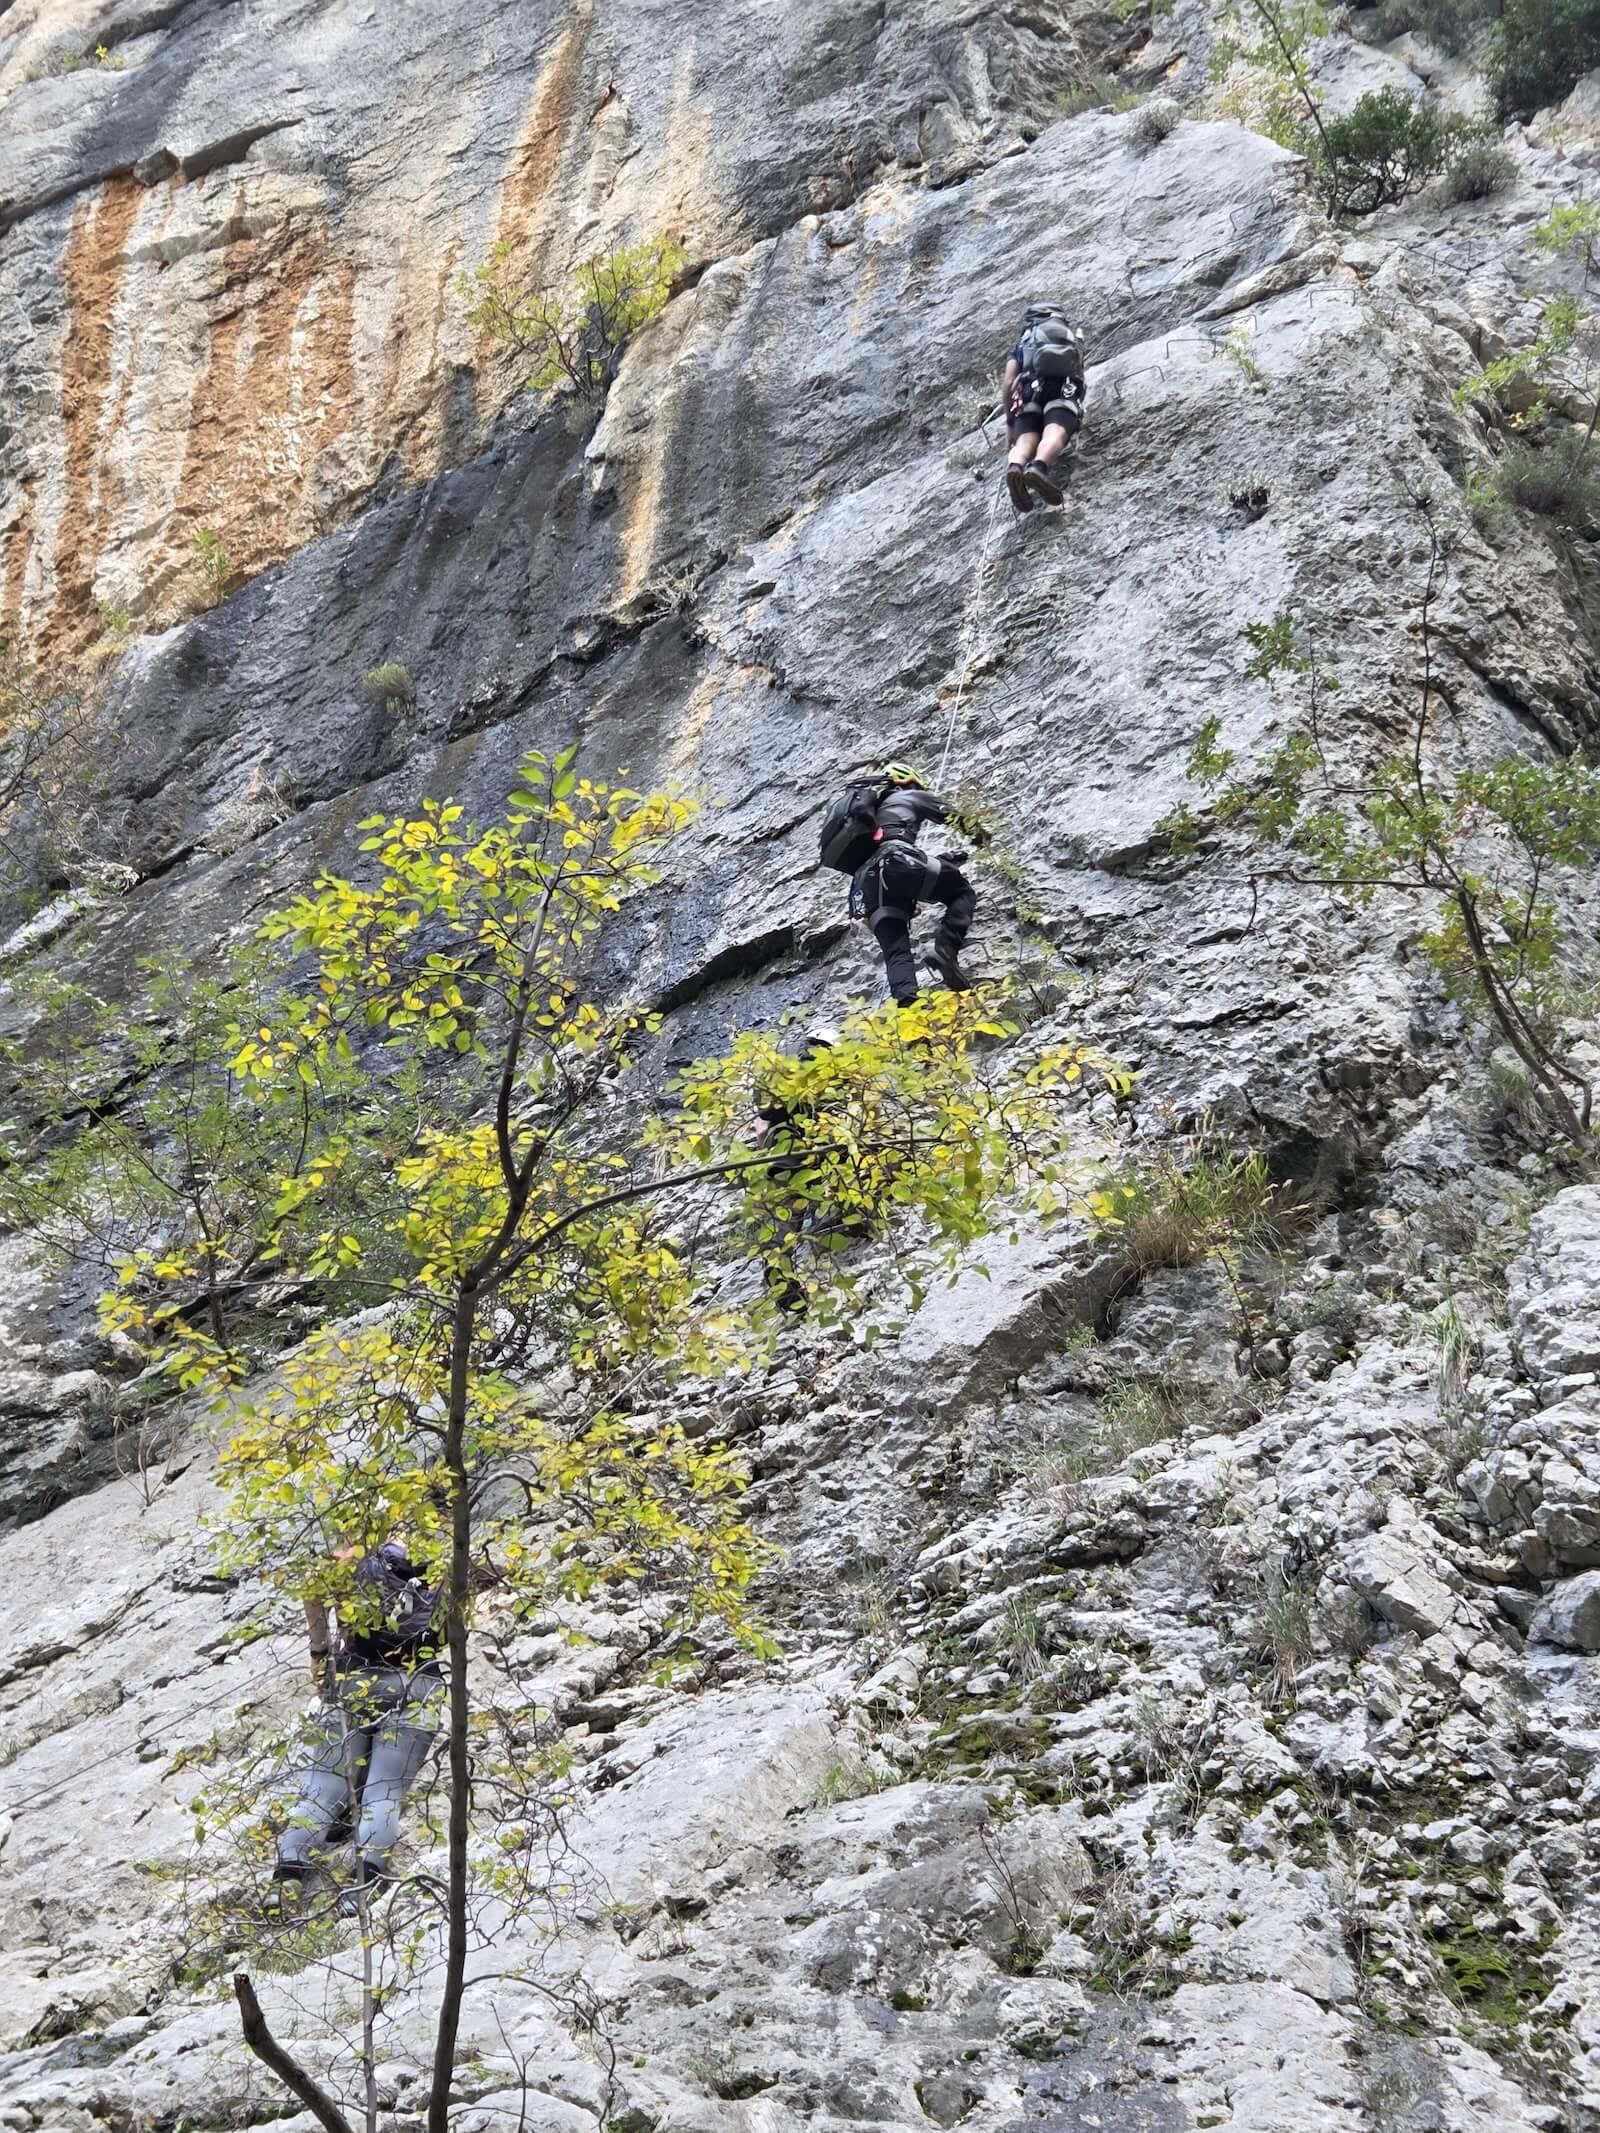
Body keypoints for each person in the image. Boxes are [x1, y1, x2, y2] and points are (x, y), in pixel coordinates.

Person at [272, 1536, 443, 1914]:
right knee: (382, 1793)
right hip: (417, 1686)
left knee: (321, 1790)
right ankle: (362, 1889)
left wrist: (319, 1651)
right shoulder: (443, 1559)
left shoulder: (351, 1557)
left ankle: (285, 1881)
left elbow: (311, 1588)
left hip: (353, 1681)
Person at [819, 763, 978, 1008]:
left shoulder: (865, 816)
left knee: (896, 952)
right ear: (910, 782)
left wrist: (945, 860)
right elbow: (954, 816)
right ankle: (946, 949)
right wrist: (984, 836)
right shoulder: (909, 795)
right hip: (898, 862)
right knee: (961, 892)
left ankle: (911, 1015)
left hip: (867, 887)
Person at [1001, 304, 1087, 513]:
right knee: (1055, 431)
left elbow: (1007, 382)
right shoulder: (1069, 337)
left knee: (1024, 439)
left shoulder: (1022, 344)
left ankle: (1016, 467)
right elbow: (1080, 372)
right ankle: (1038, 467)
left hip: (1029, 389)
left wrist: (1010, 421)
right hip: (1063, 387)